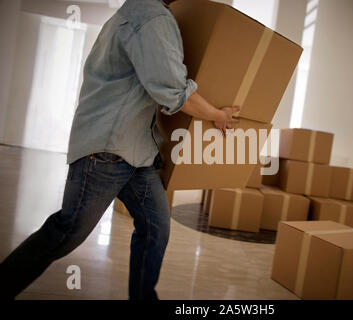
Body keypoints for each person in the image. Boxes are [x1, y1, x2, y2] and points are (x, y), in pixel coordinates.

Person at [0, 0, 239, 300]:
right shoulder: (152, 18)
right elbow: (172, 92)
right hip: (108, 152)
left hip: (136, 152)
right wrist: (218, 115)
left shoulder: (134, 12)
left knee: (155, 227)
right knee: (65, 233)